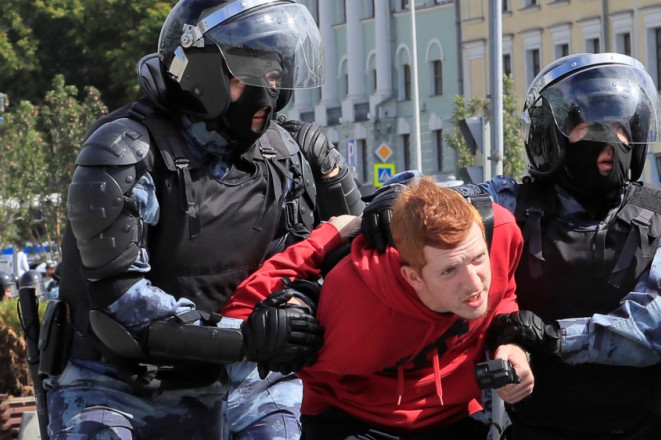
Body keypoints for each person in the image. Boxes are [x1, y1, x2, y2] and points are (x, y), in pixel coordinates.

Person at [47, 1, 363, 439]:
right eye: (246, 77)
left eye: (273, 78)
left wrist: (296, 309)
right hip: (118, 385)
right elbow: (122, 305)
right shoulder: (124, 152)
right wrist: (248, 337)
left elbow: (312, 261)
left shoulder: (286, 154)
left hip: (247, 382)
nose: (266, 95)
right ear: (199, 73)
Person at [469, 53, 661, 439]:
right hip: (540, 430)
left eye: (620, 127)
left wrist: (556, 338)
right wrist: (391, 198)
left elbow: (657, 325)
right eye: (591, 126)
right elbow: (432, 202)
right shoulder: (511, 202)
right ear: (553, 135)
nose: (610, 140)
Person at [223, 176, 534, 439]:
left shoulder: (501, 234)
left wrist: (510, 343)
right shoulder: (355, 297)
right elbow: (242, 313)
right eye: (449, 271)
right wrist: (328, 236)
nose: (473, 283)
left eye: (478, 259)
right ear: (413, 277)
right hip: (358, 420)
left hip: (455, 416)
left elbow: (505, 293)